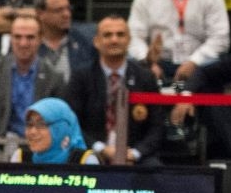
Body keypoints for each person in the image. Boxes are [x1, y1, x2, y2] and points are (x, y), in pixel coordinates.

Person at [66, 15, 163, 164]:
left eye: (120, 34)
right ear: (96, 42)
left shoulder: (146, 78)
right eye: (107, 35)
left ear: (129, 40)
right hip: (93, 153)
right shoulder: (81, 77)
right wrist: (101, 149)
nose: (114, 40)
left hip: (135, 155)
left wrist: (136, 153)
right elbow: (73, 123)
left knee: (154, 167)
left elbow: (157, 127)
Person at [0, 12, 67, 141]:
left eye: (30, 37)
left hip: (39, 148)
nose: (23, 43)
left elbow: (59, 123)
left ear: (40, 39)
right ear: (10, 38)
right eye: (17, 37)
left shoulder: (54, 77)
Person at [12, 97, 99, 165]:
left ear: (61, 128)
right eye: (29, 124)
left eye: (41, 124)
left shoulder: (85, 161)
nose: (32, 132)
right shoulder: (20, 158)